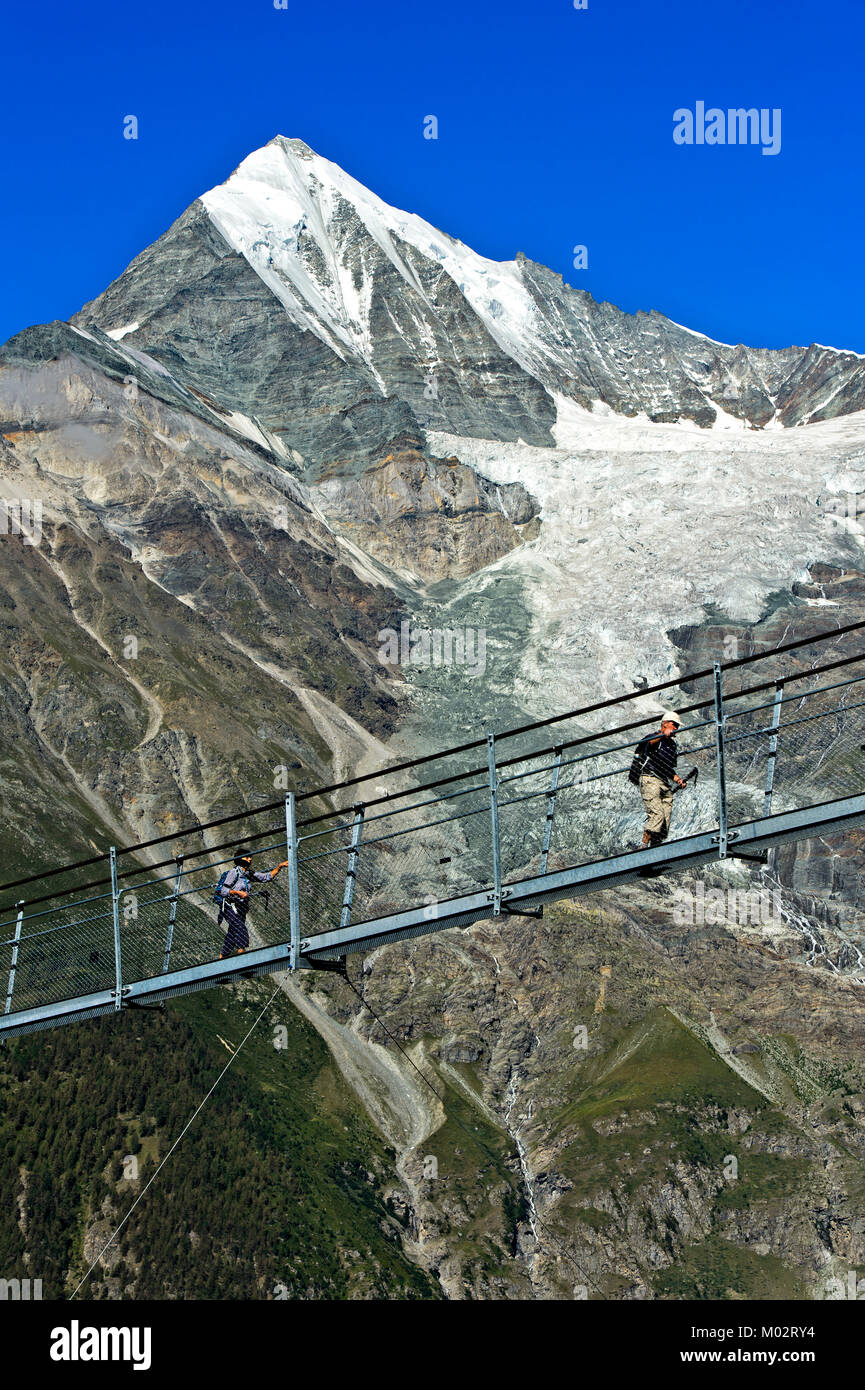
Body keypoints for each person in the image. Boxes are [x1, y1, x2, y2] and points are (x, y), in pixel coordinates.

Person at [629, 711, 687, 849]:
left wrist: (678, 779)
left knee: (665, 818)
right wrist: (662, 735)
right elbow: (648, 743)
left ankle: (655, 845)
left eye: (677, 726)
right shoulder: (654, 738)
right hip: (650, 778)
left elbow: (668, 768)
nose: (676, 728)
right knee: (657, 814)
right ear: (665, 723)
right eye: (674, 725)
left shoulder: (672, 746)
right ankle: (643, 844)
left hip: (664, 782)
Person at [217, 849, 288, 959]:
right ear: (240, 859)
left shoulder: (248, 874)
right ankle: (242, 957)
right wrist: (237, 892)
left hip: (241, 907)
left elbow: (266, 877)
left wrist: (279, 867)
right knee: (240, 928)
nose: (250, 859)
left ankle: (222, 957)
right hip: (229, 906)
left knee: (232, 931)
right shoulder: (234, 873)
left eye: (250, 857)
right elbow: (223, 890)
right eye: (247, 857)